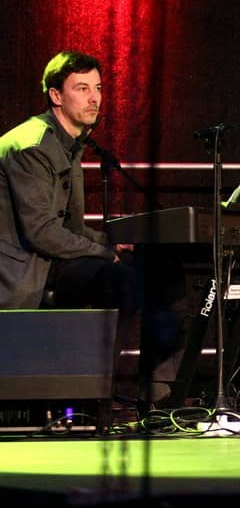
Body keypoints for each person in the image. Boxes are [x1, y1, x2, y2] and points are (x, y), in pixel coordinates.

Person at [0, 50, 174, 408]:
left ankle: (159, 389)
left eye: (98, 88)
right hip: (24, 269)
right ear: (56, 95)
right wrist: (105, 252)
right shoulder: (33, 145)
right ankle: (93, 394)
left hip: (47, 260)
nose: (94, 98)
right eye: (82, 88)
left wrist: (113, 244)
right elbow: (41, 232)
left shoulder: (70, 143)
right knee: (119, 279)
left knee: (161, 269)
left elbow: (70, 228)